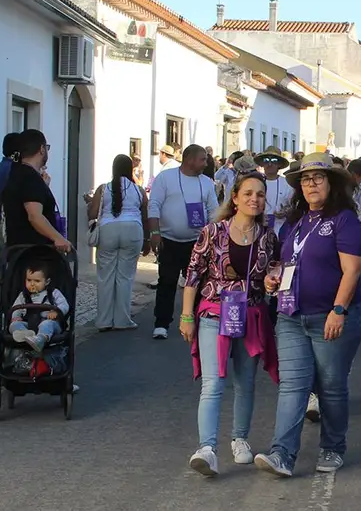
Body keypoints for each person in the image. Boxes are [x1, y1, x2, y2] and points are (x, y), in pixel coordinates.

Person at [254, 153, 361, 478]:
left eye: (318, 177)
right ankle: (282, 455)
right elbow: (284, 261)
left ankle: (333, 447)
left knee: (331, 386)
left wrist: (338, 309)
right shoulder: (296, 222)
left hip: (330, 316)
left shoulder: (345, 220)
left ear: (332, 183)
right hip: (292, 315)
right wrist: (271, 277)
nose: (311, 184)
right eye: (305, 179)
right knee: (293, 385)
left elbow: (352, 270)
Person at [180, 172, 281, 476]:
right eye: (248, 193)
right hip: (213, 313)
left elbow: (271, 276)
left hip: (250, 314)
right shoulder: (213, 231)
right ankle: (207, 448)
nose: (254, 199)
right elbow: (193, 275)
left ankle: (240, 439)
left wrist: (271, 284)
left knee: (245, 383)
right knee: (213, 383)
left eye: (260, 194)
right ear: (235, 198)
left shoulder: (268, 237)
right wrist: (186, 316)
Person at [147, 145, 219, 340]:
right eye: (202, 159)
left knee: (197, 283)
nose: (206, 163)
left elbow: (214, 211)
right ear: (189, 159)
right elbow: (154, 204)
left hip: (197, 243)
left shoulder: (206, 183)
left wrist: (215, 236)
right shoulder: (166, 178)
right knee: (166, 282)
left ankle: (197, 321)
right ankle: (161, 323)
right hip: (169, 241)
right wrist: (154, 232)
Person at [89, 155, 150, 331]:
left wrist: (89, 203)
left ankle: (103, 320)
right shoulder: (138, 190)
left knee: (105, 277)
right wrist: (147, 240)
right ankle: (122, 320)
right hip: (133, 230)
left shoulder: (103, 189)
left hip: (108, 230)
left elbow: (92, 213)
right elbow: (145, 216)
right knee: (125, 277)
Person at [1, 130, 70, 252]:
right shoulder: (30, 178)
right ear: (42, 149)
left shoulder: (16, 174)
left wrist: (43, 187)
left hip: (19, 250)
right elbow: (34, 216)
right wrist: (58, 238)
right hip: (34, 254)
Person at [8, 262, 70, 354]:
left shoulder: (53, 293)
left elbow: (64, 305)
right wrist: (16, 317)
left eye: (37, 281)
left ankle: (40, 339)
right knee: (13, 325)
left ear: (47, 282)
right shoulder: (23, 295)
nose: (32, 284)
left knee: (46, 324)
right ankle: (26, 335)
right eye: (29, 280)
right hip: (29, 324)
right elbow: (16, 308)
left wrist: (56, 311)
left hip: (50, 323)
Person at [0, 133, 20, 310]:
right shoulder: (11, 169)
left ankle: (1, 305)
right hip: (5, 224)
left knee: (5, 264)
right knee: (7, 266)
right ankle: (1, 306)